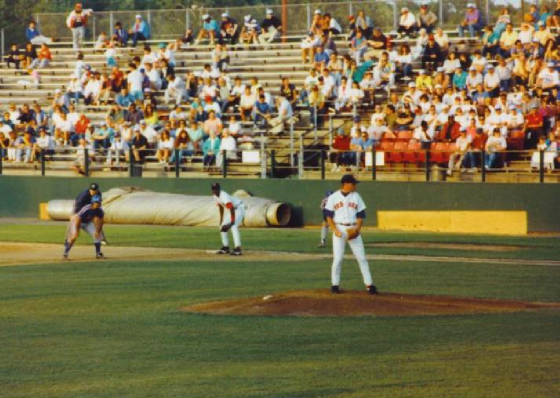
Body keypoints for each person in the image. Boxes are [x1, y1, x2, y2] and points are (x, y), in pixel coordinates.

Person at [324, 174, 377, 295]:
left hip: (353, 228)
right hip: (339, 228)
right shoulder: (333, 197)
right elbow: (329, 216)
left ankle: (369, 285)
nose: (355, 185)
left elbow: (360, 215)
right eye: (353, 183)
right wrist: (334, 230)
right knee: (338, 259)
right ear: (346, 184)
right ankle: (335, 285)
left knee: (362, 258)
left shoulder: (357, 196)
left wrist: (357, 228)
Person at [63, 194, 105, 259]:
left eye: (100, 202)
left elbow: (101, 222)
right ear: (93, 202)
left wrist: (97, 231)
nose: (99, 203)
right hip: (77, 222)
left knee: (97, 235)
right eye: (98, 202)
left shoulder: (100, 210)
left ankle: (98, 253)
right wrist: (76, 231)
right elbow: (78, 219)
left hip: (87, 223)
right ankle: (65, 253)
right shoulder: (86, 208)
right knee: (74, 236)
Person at [212, 183, 245, 256]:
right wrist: (221, 220)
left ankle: (238, 248)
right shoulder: (215, 196)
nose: (215, 191)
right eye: (213, 189)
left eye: (216, 189)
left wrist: (232, 221)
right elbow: (221, 207)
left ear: (219, 189)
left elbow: (231, 208)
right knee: (222, 226)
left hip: (239, 208)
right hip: (233, 210)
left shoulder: (224, 196)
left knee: (233, 226)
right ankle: (225, 247)